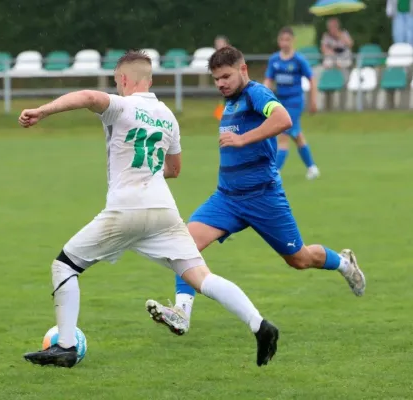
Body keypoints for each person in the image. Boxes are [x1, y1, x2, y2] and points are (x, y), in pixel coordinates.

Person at [18, 51, 279, 368]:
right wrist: (148, 170)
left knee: (64, 266)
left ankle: (67, 346)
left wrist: (43, 112)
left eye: (117, 82)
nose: (117, 87)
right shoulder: (168, 116)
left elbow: (87, 96)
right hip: (163, 210)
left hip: (126, 209)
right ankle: (259, 325)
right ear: (150, 80)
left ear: (124, 80)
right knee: (201, 277)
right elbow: (174, 168)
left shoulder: (122, 106)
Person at [145, 46, 366, 337]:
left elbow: (284, 119)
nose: (221, 83)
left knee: (299, 259)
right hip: (226, 199)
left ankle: (344, 263)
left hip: (263, 198)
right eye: (216, 79)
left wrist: (242, 139)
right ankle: (182, 313)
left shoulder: (255, 94)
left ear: (243, 70)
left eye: (226, 76)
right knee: (184, 245)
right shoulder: (230, 101)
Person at [264, 27, 320, 180]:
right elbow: (268, 80)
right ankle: (312, 168)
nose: (284, 43)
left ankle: (274, 173)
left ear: (293, 41)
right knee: (297, 135)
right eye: (282, 40)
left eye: (287, 40)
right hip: (280, 102)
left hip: (295, 102)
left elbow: (312, 79)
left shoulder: (299, 60)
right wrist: (261, 97)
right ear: (278, 41)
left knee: (283, 134)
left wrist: (313, 100)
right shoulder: (274, 60)